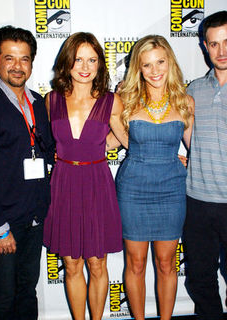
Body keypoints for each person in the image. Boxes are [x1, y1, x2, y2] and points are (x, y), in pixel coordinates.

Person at [0, 26, 54, 319]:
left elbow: (49, 148)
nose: (18, 66)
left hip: (34, 217)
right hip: (3, 223)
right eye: (9, 58)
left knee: (28, 289)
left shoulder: (38, 103)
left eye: (24, 59)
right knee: (4, 295)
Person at [43, 32, 127, 320]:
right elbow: (42, 143)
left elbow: (128, 139)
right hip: (64, 184)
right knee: (72, 265)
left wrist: (99, 147)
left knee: (97, 264)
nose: (85, 66)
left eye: (92, 59)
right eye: (78, 59)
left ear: (100, 65)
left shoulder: (111, 101)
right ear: (67, 63)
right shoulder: (51, 100)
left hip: (97, 185)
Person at [116, 35, 194, 320]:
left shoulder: (185, 102)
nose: (154, 70)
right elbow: (110, 141)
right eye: (146, 64)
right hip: (133, 190)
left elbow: (196, 146)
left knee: (166, 263)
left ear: (170, 61)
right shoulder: (126, 100)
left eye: (160, 61)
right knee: (135, 264)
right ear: (138, 68)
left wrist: (189, 160)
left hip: (172, 191)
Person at [183, 11, 227, 320]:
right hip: (197, 203)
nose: (221, 51)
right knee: (199, 279)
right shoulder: (193, 90)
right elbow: (188, 137)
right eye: (214, 44)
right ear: (204, 47)